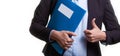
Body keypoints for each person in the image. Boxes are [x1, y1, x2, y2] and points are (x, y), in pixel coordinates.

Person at [29, 0, 120, 56]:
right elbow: (35, 26)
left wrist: (103, 35)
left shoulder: (101, 1)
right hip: (55, 54)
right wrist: (54, 35)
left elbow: (117, 32)